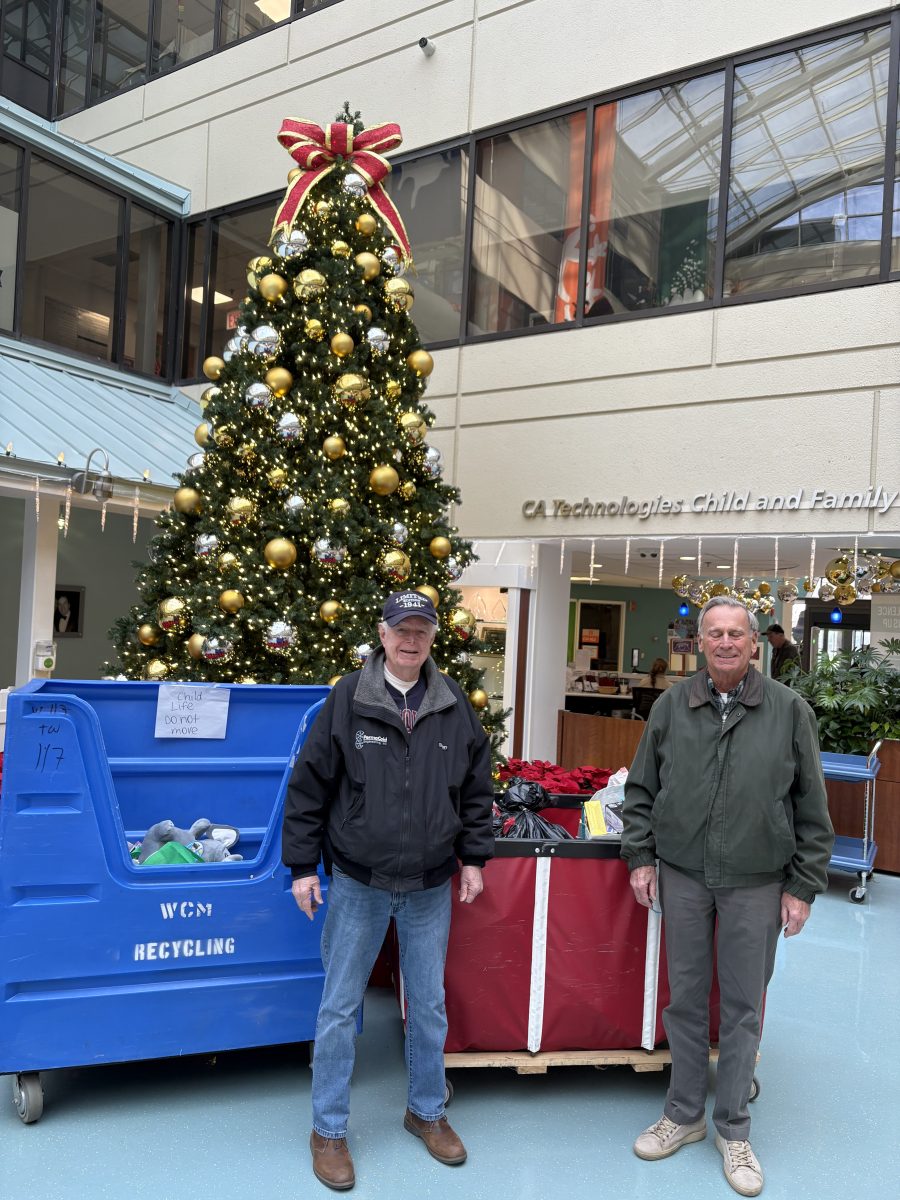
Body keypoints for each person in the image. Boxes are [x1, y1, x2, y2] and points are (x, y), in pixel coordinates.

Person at [621, 595, 833, 1198]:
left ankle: (733, 1128)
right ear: (700, 642)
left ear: (754, 642)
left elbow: (812, 808)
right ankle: (684, 1115)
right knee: (685, 1000)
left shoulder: (790, 711)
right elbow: (641, 789)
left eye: (736, 633)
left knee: (742, 1007)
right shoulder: (671, 706)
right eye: (714, 633)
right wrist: (640, 856)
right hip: (684, 875)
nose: (725, 643)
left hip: (758, 880)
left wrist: (803, 886)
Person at [282, 590, 494, 1192]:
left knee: (428, 1006)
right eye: (401, 629)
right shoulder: (348, 698)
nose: (411, 640)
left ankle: (426, 1112)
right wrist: (302, 867)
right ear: (382, 633)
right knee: (339, 1008)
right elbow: (309, 788)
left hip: (430, 884)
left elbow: (476, 791)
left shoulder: (453, 705)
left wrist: (474, 857)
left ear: (432, 637)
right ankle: (327, 1130)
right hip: (358, 881)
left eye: (421, 630)